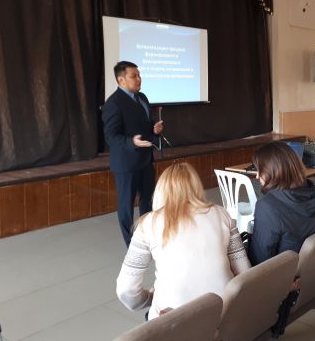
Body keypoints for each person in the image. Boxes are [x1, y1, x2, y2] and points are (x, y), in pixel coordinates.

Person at [116, 163, 251, 320]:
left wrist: (149, 299)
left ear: (161, 190)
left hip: (174, 320)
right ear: (197, 187)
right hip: (224, 313)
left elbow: (126, 290)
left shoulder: (148, 224)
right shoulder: (222, 213)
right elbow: (244, 271)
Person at [102, 61, 164, 246]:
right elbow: (111, 136)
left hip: (145, 160)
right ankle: (131, 245)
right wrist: (131, 142)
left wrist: (154, 129)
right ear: (121, 80)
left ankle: (148, 236)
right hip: (126, 164)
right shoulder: (113, 103)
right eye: (133, 76)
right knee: (126, 207)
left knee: (148, 201)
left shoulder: (142, 97)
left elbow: (145, 124)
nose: (139, 79)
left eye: (139, 75)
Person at [248, 141, 315, 265]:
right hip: (311, 266)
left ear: (273, 172)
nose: (257, 176)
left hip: (283, 272)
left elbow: (260, 258)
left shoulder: (268, 206)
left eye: (260, 170)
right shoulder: (310, 192)